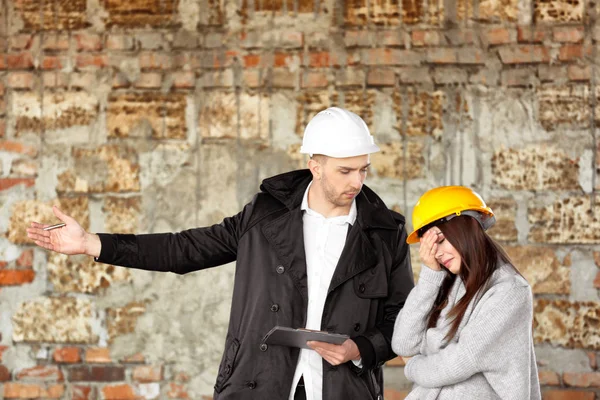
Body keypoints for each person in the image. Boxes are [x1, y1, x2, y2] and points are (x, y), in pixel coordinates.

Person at [27, 107, 415, 400]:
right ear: (314, 166)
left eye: (364, 169)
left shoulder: (386, 232)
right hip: (258, 382)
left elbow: (402, 318)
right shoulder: (264, 217)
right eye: (345, 171)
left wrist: (360, 348)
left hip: (345, 389)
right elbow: (186, 249)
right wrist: (93, 243)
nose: (358, 181)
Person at [391, 186, 541, 399]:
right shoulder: (450, 284)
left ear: (465, 228)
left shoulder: (510, 291)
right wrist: (430, 276)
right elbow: (403, 343)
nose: (438, 253)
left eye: (440, 240)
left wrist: (413, 365)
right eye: (431, 246)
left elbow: (461, 360)